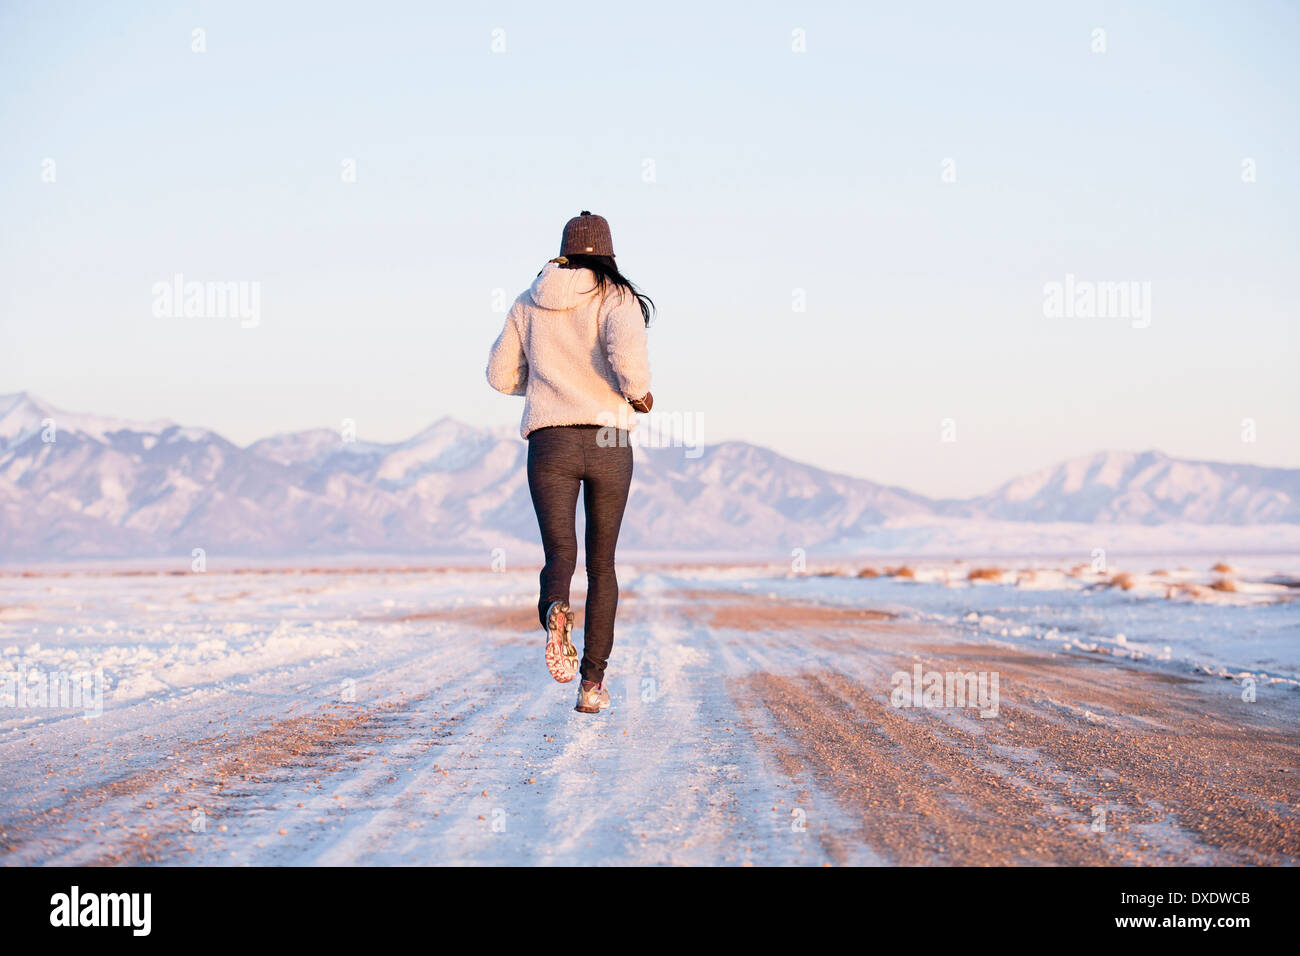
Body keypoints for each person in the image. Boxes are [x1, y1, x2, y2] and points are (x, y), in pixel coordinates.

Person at [486, 211, 654, 714]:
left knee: (561, 554)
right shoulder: (616, 296)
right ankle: (592, 686)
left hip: (551, 439)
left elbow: (499, 375)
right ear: (606, 252)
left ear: (563, 249)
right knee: (603, 567)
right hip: (607, 437)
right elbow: (629, 364)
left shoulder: (528, 301)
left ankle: (555, 608)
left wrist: (542, 385)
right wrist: (640, 396)